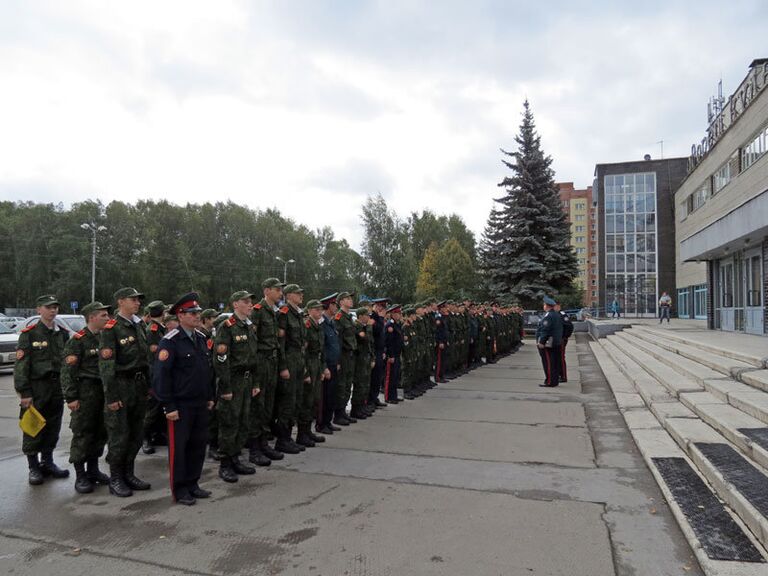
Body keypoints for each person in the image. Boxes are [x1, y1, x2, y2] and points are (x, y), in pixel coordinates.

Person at [153, 292, 216, 505]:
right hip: (180, 405)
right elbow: (162, 376)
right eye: (191, 313)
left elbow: (205, 371)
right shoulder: (170, 341)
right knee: (180, 448)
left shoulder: (200, 338)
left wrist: (209, 396)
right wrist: (168, 405)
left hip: (199, 402)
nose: (197, 315)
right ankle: (180, 489)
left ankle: (193, 483)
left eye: (198, 312)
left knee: (198, 445)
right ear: (180, 316)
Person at [99, 286, 151, 497]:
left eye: (138, 300)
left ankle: (129, 473)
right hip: (121, 385)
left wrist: (148, 387)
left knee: (136, 433)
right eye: (133, 299)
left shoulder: (138, 325)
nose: (137, 303)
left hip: (139, 386)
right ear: (121, 301)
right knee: (119, 435)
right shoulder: (111, 328)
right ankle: (116, 478)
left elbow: (146, 359)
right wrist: (111, 396)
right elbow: (106, 366)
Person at [14, 294, 70, 485]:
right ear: (39, 310)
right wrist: (25, 392)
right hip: (37, 387)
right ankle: (33, 467)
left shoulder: (61, 333)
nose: (53, 310)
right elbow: (22, 365)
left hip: (56, 387)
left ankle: (48, 462)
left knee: (52, 427)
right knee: (33, 427)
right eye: (48, 307)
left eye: (55, 307)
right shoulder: (29, 334)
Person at [61, 301, 112, 493]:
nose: (107, 318)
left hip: (103, 393)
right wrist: (71, 397)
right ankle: (80, 475)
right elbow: (67, 372)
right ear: (92, 317)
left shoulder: (106, 339)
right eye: (103, 315)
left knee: (100, 433)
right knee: (83, 433)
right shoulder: (78, 341)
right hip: (85, 393)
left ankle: (93, 470)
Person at [214, 291, 261, 481]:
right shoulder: (227, 327)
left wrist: (255, 382)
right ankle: (225, 463)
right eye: (246, 301)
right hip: (232, 381)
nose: (250, 305)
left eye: (251, 302)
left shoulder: (249, 327)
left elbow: (253, 357)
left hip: (247, 380)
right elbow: (220, 360)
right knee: (229, 422)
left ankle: (235, 458)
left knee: (243, 421)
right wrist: (225, 388)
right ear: (235, 304)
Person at [250, 278, 291, 458]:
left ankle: (264, 442)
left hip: (272, 361)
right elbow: (252, 341)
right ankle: (255, 448)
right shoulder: (258, 311)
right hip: (261, 362)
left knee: (268, 405)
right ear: (266, 291)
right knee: (258, 405)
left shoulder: (274, 312)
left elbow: (277, 342)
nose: (280, 293)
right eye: (277, 290)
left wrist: (281, 365)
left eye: (281, 290)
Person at [278, 284, 311, 450]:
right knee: (288, 401)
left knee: (297, 399)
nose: (301, 296)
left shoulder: (298, 313)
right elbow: (281, 344)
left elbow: (302, 345)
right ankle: (282, 440)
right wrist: (283, 366)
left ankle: (290, 437)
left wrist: (304, 367)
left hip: (298, 360)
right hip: (289, 361)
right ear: (289, 295)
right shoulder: (284, 313)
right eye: (298, 294)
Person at [142, 300, 166, 455]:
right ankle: (145, 438)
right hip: (154, 374)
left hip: (160, 373)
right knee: (151, 409)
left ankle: (157, 435)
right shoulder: (153, 330)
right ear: (162, 313)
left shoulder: (159, 329)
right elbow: (154, 356)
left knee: (159, 408)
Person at [303, 300, 329, 440]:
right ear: (310, 311)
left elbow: (321, 349)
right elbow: (303, 352)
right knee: (307, 400)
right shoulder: (307, 326)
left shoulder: (318, 326)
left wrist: (323, 368)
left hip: (317, 364)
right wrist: (305, 371)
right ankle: (302, 433)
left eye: (321, 310)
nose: (320, 312)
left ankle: (308, 431)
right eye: (317, 310)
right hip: (309, 364)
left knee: (314, 399)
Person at [318, 293, 341, 434]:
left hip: (334, 364)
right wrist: (324, 366)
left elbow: (334, 345)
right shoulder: (322, 324)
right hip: (326, 366)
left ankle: (328, 421)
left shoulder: (331, 323)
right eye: (334, 305)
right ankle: (321, 424)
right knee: (324, 397)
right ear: (328, 306)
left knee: (332, 395)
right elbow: (321, 347)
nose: (336, 307)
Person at [199, 308, 220, 460]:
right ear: (205, 319)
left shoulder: (211, 334)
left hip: (213, 376)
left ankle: (214, 443)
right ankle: (211, 446)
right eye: (212, 318)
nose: (215, 321)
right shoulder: (201, 335)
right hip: (205, 378)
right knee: (210, 415)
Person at [334, 291, 357, 425]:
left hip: (350, 355)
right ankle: (338, 414)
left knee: (348, 384)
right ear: (341, 302)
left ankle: (343, 412)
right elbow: (338, 340)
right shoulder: (339, 317)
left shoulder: (349, 317)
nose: (350, 301)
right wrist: (338, 360)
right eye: (347, 299)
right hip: (343, 355)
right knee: (341, 385)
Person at [536, 296, 563, 387]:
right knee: (555, 363)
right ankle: (554, 381)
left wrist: (542, 342)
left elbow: (545, 330)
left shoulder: (548, 316)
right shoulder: (556, 314)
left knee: (548, 363)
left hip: (549, 344)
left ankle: (550, 381)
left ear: (547, 306)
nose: (543, 306)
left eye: (544, 304)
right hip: (556, 342)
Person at [351, 307, 373, 418]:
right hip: (359, 360)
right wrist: (369, 326)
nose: (369, 317)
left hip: (365, 358)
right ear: (360, 316)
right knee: (359, 384)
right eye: (367, 315)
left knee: (365, 383)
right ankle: (355, 409)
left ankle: (361, 406)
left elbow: (369, 344)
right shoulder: (357, 326)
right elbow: (366, 339)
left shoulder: (362, 327)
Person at [384, 304, 403, 403]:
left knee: (395, 376)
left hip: (397, 354)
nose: (399, 315)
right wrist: (390, 355)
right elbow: (389, 342)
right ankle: (388, 397)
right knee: (390, 376)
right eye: (397, 313)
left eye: (399, 313)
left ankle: (394, 395)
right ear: (392, 314)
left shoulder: (397, 324)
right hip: (392, 355)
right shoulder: (390, 325)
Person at [556, 304, 574, 384]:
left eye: (554, 306)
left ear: (558, 306)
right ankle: (559, 374)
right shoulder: (557, 314)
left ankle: (563, 376)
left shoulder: (562, 315)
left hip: (562, 339)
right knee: (558, 357)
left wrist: (565, 336)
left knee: (561, 357)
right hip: (558, 339)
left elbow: (569, 326)